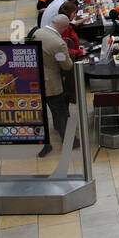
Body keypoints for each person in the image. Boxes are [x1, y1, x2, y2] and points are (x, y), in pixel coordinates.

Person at [33, 14, 75, 158]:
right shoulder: (58, 44)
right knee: (60, 112)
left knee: (39, 115)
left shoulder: (37, 33)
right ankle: (68, 140)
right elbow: (66, 65)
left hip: (34, 80)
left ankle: (44, 144)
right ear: (64, 28)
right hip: (51, 83)